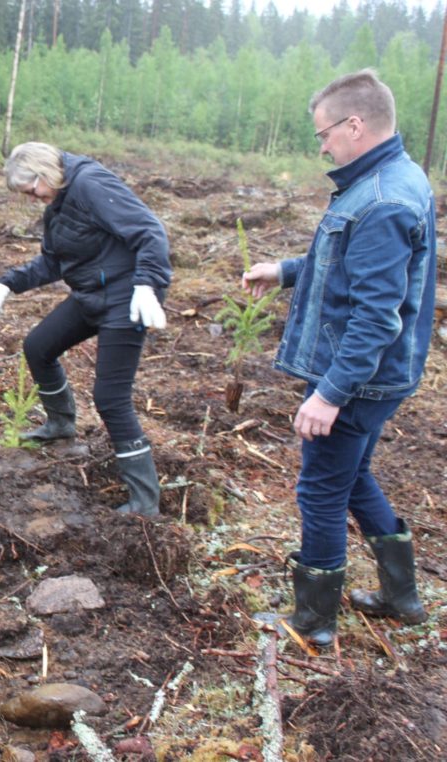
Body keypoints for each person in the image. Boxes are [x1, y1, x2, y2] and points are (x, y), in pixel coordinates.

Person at [244, 69, 435, 648]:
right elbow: (356, 272)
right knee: (351, 479)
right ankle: (402, 596)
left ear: (356, 124)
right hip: (382, 376)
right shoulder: (393, 178)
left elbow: (377, 316)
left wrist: (329, 392)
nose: (322, 144)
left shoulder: (381, 200)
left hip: (361, 379)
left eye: (325, 132)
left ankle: (314, 621)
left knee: (321, 489)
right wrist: (286, 271)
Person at [0, 142, 172, 517]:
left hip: (128, 297)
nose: (33, 198)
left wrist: (147, 284)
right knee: (38, 346)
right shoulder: (60, 202)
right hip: (92, 295)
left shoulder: (91, 184)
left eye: (31, 189)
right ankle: (60, 423)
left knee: (110, 398)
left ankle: (145, 501)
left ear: (43, 173)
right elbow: (54, 262)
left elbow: (150, 232)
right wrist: (9, 283)